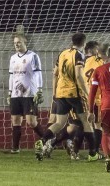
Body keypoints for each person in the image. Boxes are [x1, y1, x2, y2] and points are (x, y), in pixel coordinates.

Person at [35, 33, 99, 161]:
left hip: (60, 93)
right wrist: (88, 93)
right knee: (86, 122)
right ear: (84, 43)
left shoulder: (63, 53)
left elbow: (55, 73)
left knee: (59, 123)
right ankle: (93, 154)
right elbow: (79, 76)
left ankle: (42, 141)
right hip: (74, 93)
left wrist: (54, 93)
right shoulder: (79, 55)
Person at [7, 34, 45, 154]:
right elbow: (11, 76)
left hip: (29, 93)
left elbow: (38, 73)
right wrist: (9, 92)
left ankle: (49, 139)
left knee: (31, 121)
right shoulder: (13, 58)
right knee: (16, 121)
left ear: (25, 42)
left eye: (18, 42)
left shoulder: (32, 56)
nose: (16, 44)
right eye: (15, 43)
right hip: (16, 94)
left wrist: (39, 89)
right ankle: (15, 148)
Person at [83, 41, 108, 158]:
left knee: (83, 124)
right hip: (96, 98)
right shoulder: (103, 64)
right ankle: (95, 151)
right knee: (98, 125)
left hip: (84, 96)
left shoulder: (87, 60)